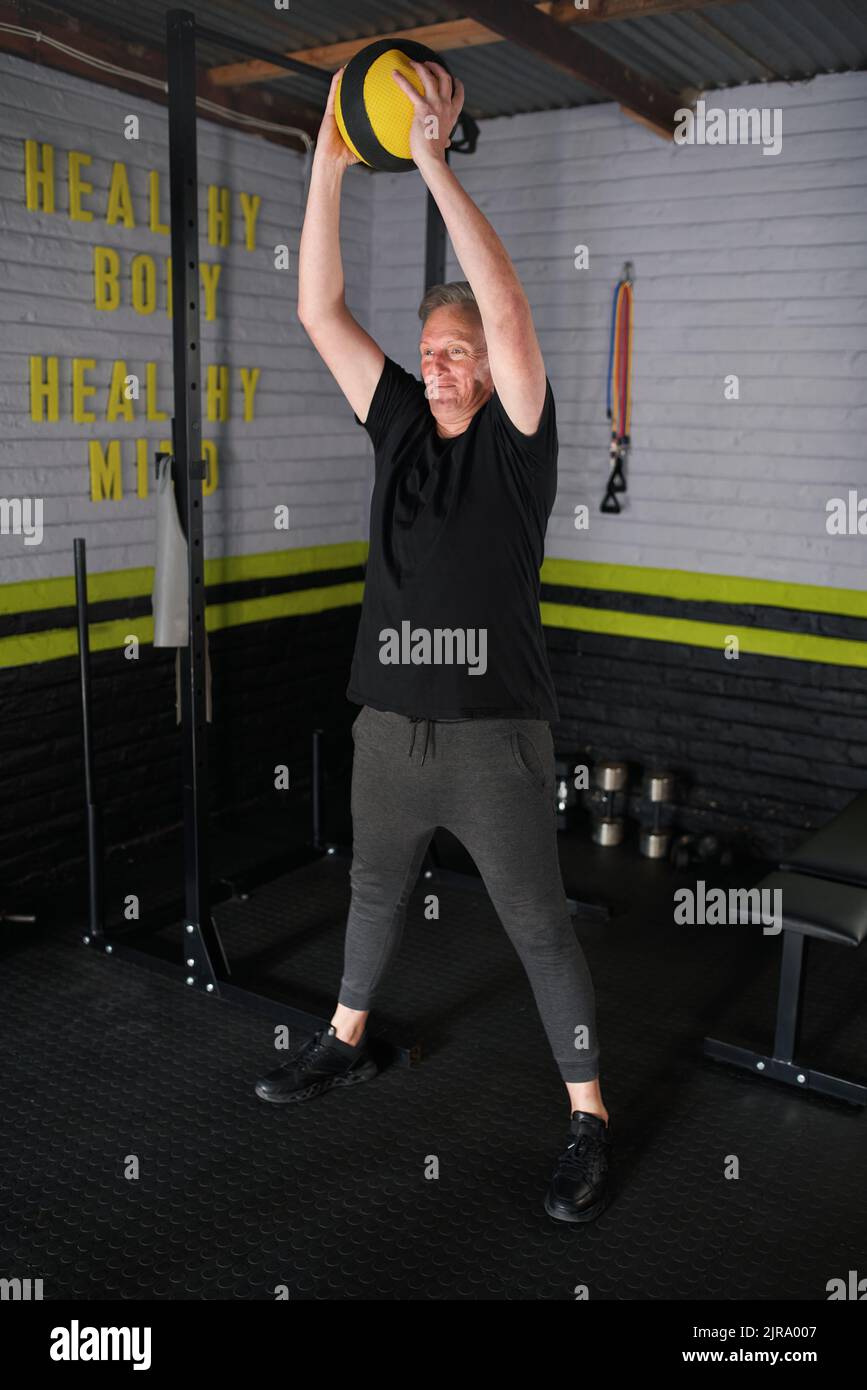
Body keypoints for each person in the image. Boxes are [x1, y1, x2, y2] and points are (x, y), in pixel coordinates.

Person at [255, 59, 611, 1224]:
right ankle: (345, 1037)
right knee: (369, 888)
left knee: (537, 928)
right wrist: (325, 161)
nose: (447, 362)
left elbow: (507, 310)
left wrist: (428, 163)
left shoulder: (520, 440)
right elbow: (318, 309)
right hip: (387, 734)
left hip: (494, 738)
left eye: (462, 349)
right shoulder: (401, 421)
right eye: (435, 348)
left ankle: (588, 1113)